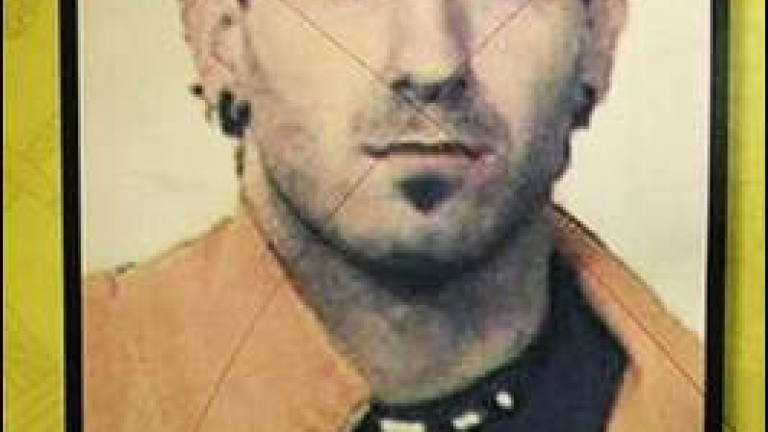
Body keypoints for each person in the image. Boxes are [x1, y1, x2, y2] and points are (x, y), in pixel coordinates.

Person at [84, 0, 704, 430]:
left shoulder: (716, 403)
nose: (433, 64)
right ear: (222, 39)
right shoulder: (76, 381)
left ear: (597, 40)